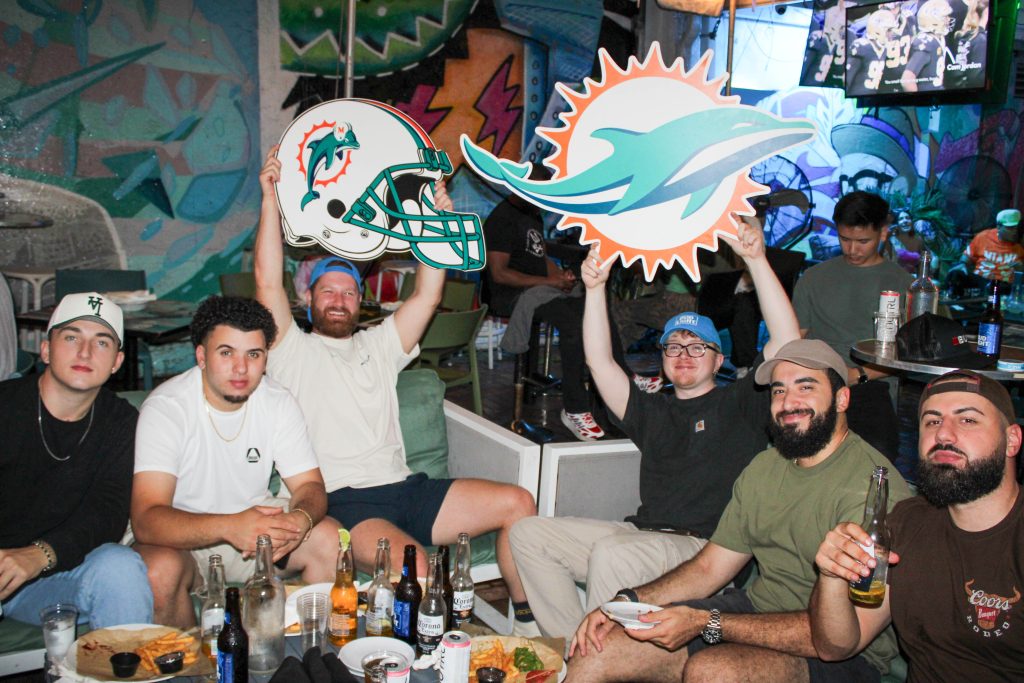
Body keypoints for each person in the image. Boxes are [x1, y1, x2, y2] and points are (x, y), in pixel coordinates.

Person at [254, 147, 539, 632]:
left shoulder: (381, 344)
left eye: (348, 292)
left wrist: (436, 219)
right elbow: (265, 283)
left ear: (360, 300)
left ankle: (527, 624)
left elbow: (427, 294)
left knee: (519, 503)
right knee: (418, 572)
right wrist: (269, 198)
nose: (339, 299)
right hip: (346, 501)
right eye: (328, 291)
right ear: (308, 299)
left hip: (407, 488)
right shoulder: (290, 350)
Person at [510, 218, 801, 643]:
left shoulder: (740, 403)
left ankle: (594, 663)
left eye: (697, 345)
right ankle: (573, 649)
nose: (684, 353)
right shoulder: (651, 411)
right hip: (640, 535)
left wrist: (755, 259)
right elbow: (600, 362)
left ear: (718, 361)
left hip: (703, 552)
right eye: (674, 346)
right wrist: (594, 289)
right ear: (663, 358)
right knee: (528, 534)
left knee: (613, 555)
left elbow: (788, 342)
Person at [566, 339, 912, 683]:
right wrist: (626, 602)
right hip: (756, 613)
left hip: (843, 658)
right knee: (598, 647)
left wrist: (706, 623)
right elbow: (709, 567)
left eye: (806, 388)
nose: (789, 402)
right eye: (778, 391)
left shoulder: (875, 494)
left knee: (715, 672)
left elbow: (839, 643)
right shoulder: (765, 466)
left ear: (841, 398)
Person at [131, 296, 337, 627]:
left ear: (265, 358)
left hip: (256, 533)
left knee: (330, 539)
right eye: (226, 353)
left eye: (253, 354)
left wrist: (301, 519)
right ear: (201, 356)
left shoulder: (277, 401)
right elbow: (146, 520)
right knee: (156, 572)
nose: (241, 368)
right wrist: (230, 526)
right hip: (183, 538)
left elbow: (310, 486)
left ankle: (311, 658)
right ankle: (191, 674)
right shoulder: (166, 408)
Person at [811, 369, 1023, 681]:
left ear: (1011, 440)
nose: (943, 435)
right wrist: (831, 576)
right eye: (932, 421)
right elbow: (837, 647)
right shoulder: (906, 522)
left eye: (967, 420)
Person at [0, 292, 152, 627]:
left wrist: (39, 555)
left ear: (116, 362)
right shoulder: (7, 407)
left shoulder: (121, 421)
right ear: (45, 349)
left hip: (58, 574)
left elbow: (108, 513)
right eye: (71, 337)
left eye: (101, 342)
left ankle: (125, 680)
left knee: (121, 566)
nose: (85, 352)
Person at [483, 186, 635, 440]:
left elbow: (538, 257)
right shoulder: (501, 219)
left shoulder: (532, 215)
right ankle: (575, 408)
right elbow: (499, 274)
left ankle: (623, 378)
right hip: (510, 296)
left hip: (539, 288)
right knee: (573, 324)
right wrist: (551, 283)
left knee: (594, 312)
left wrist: (559, 276)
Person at [793, 190, 913, 464]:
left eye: (863, 241)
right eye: (844, 239)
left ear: (883, 234)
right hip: (819, 378)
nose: (852, 250)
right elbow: (795, 340)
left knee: (876, 455)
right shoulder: (813, 278)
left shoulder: (902, 284)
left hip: (872, 382)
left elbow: (905, 355)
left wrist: (856, 374)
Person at [948, 208, 1024, 289]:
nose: (1015, 231)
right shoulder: (983, 237)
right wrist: (962, 264)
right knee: (955, 275)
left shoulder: (1021, 242)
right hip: (981, 280)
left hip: (1006, 285)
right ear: (999, 227)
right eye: (1011, 228)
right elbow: (966, 259)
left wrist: (1021, 269)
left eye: (1017, 228)